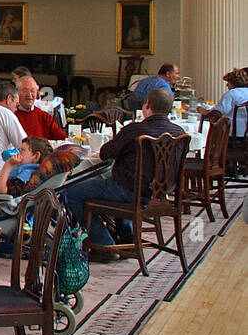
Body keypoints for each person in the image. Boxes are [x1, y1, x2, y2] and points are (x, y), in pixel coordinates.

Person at [63, 89, 183, 255]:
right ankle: (127, 235)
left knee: (71, 191)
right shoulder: (180, 134)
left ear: (147, 105)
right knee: (124, 178)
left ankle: (104, 244)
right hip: (161, 195)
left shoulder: (135, 130)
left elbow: (106, 153)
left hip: (130, 193)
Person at [199, 67, 248, 135]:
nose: (227, 85)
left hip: (232, 134)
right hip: (245, 134)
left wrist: (204, 112)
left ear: (234, 82)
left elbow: (218, 113)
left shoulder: (231, 94)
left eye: (228, 82)